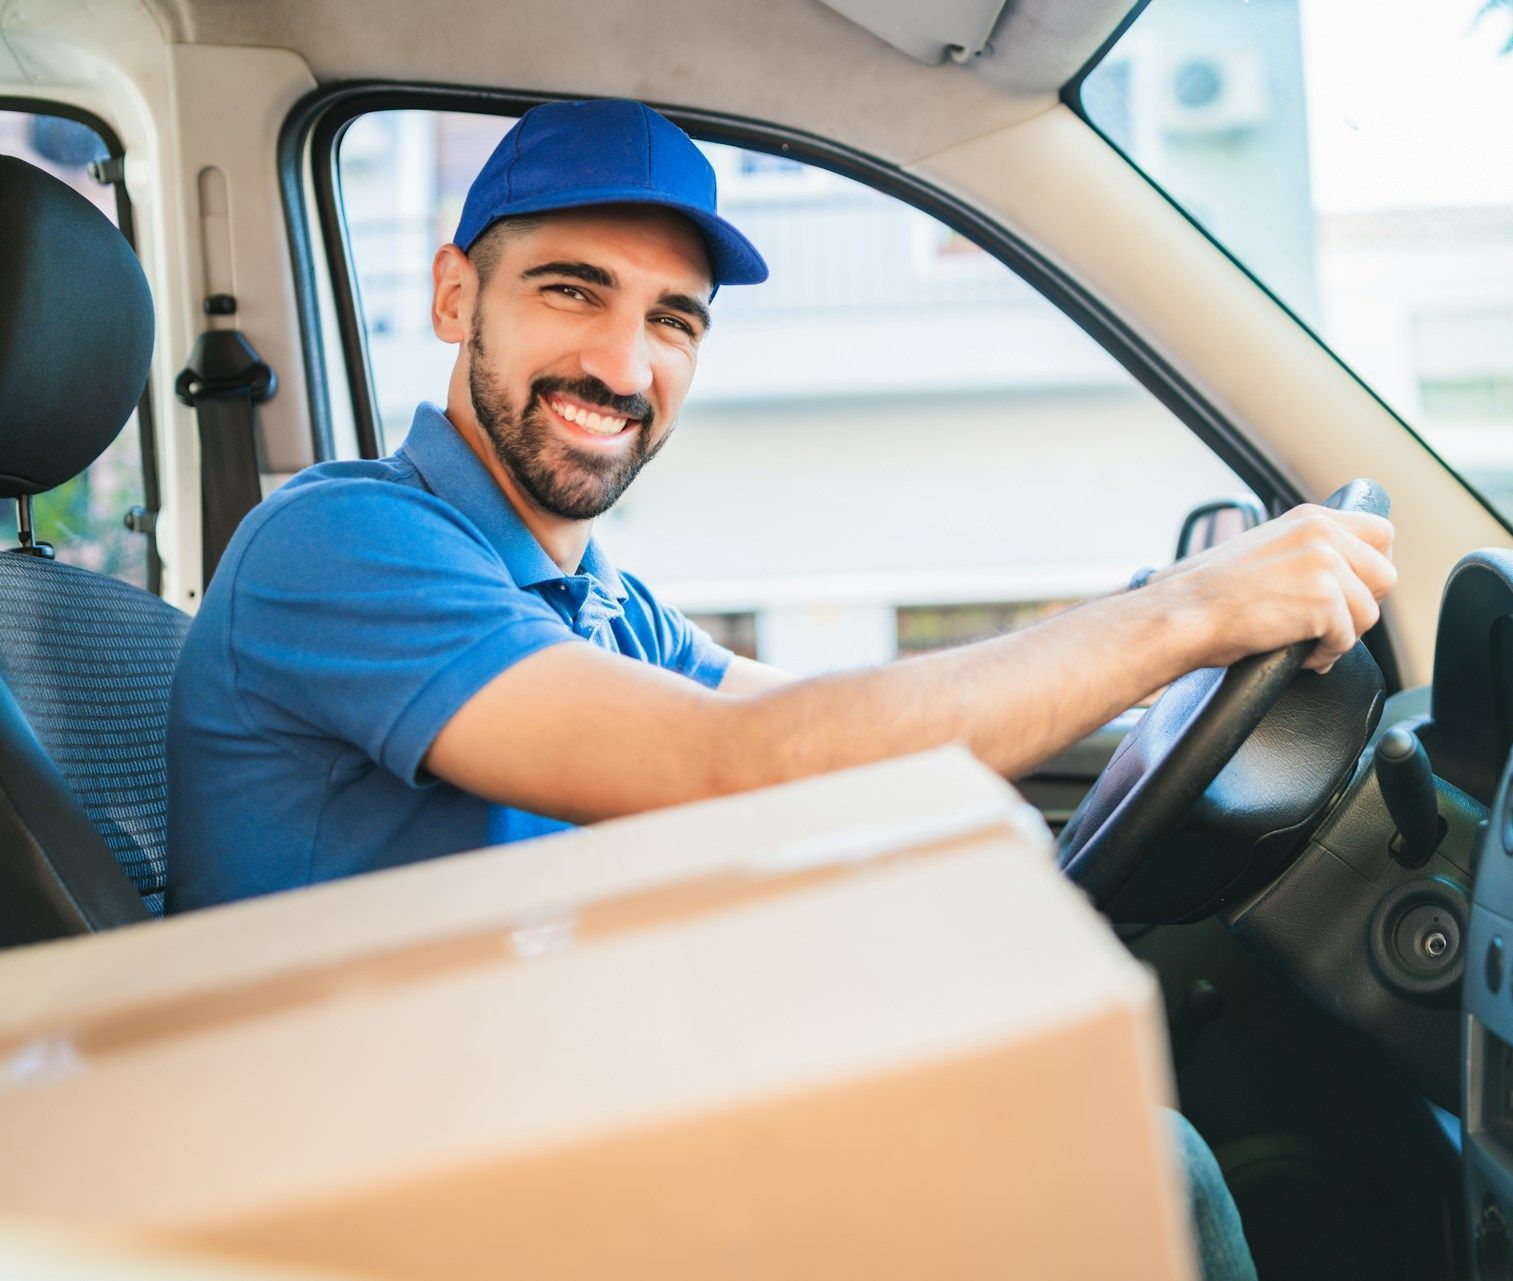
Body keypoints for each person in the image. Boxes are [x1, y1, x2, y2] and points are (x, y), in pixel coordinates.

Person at [166, 99, 1395, 1281]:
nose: (621, 361)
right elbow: (739, 756)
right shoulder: (343, 541)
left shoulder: (598, 602)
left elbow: (848, 729)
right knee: (1137, 1163)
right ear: (454, 297)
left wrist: (1150, 658)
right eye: (570, 289)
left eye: (674, 321)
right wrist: (1185, 613)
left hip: (555, 1129)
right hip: (387, 1206)